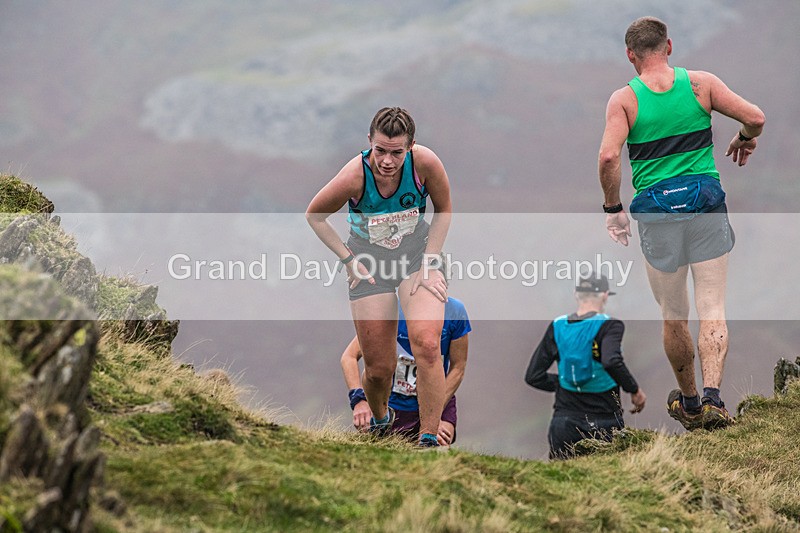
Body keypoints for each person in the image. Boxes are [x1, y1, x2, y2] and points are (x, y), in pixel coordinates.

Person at [598, 17, 765, 430]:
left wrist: (613, 208)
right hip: (706, 204)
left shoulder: (625, 100)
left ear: (630, 55)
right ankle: (713, 400)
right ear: (669, 46)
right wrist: (744, 138)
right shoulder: (701, 85)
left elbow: (608, 156)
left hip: (657, 214)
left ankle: (689, 403)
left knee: (673, 313)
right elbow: (755, 117)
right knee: (713, 306)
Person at [306, 107, 452, 448]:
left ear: (411, 146)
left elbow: (444, 210)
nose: (387, 161)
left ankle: (428, 440)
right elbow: (315, 216)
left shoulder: (425, 164)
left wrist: (430, 261)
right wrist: (348, 260)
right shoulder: (354, 176)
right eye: (380, 150)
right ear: (369, 142)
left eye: (396, 152)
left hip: (416, 256)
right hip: (370, 264)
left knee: (428, 344)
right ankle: (382, 420)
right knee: (378, 370)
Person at [525, 274, 646, 460]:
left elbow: (533, 376)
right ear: (605, 295)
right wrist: (634, 390)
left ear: (576, 294)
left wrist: (563, 382)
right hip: (605, 421)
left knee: (561, 475)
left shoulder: (557, 326)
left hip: (564, 422)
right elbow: (611, 361)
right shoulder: (610, 326)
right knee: (607, 476)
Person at [341, 296, 471, 447]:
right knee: (381, 450)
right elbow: (349, 357)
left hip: (439, 398)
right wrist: (359, 400)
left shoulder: (455, 311)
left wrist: (434, 416)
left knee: (438, 448)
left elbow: (458, 368)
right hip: (391, 405)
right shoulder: (391, 310)